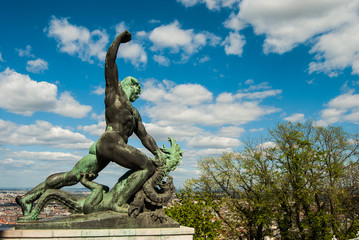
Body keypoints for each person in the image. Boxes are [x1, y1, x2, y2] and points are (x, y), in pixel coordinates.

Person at [95, 30, 164, 208]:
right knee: (146, 167)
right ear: (127, 85)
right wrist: (118, 39)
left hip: (118, 145)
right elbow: (109, 62)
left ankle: (117, 197)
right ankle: (117, 203)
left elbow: (145, 137)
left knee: (144, 166)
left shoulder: (134, 113)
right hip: (109, 141)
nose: (137, 95)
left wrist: (157, 152)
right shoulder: (114, 92)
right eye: (136, 90)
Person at [15, 141, 108, 217]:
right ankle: (27, 199)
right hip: (95, 157)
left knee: (69, 177)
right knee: (70, 177)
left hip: (96, 158)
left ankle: (28, 198)